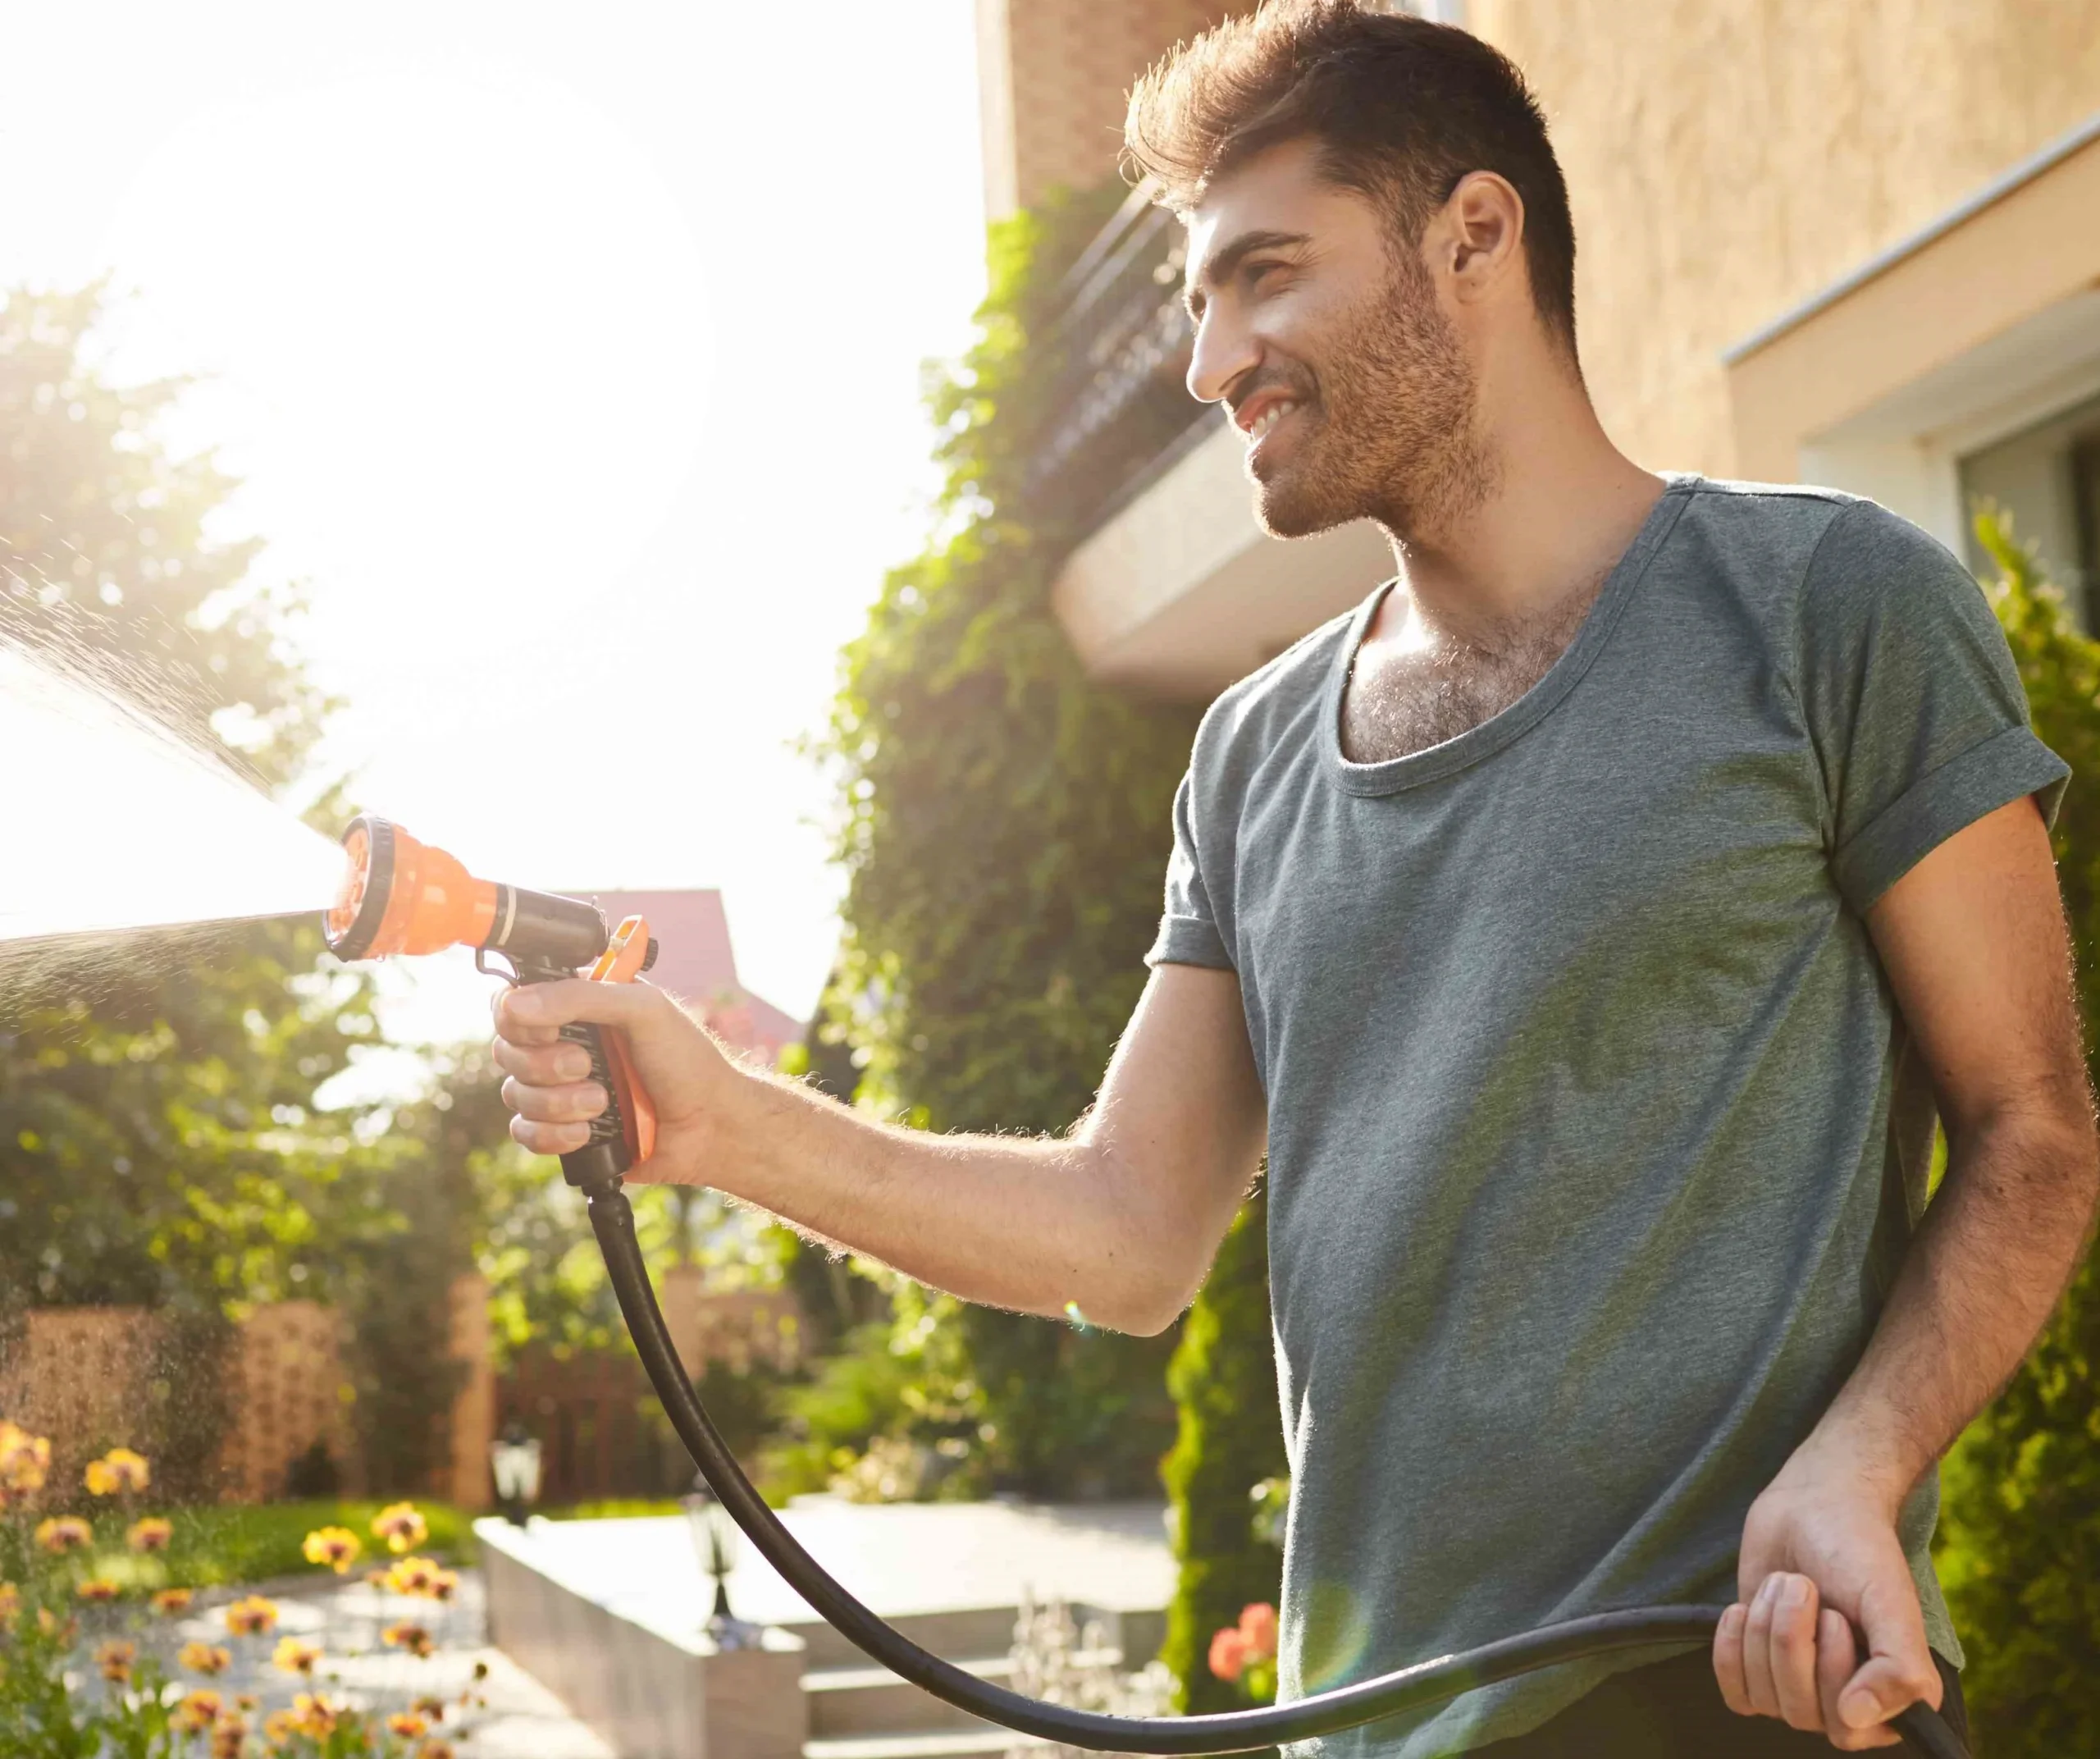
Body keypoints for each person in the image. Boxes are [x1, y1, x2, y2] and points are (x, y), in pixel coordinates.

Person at [491, 6, 2098, 1753]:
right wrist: (720, 1122)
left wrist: (1857, 1455)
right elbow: (1126, 1231)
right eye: (1194, 303)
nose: (1209, 361)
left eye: (1260, 274)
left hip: (1735, 1693)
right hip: (1358, 1722)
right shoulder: (1252, 754)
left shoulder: (1825, 610)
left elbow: (2030, 1126)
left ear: (1471, 237)